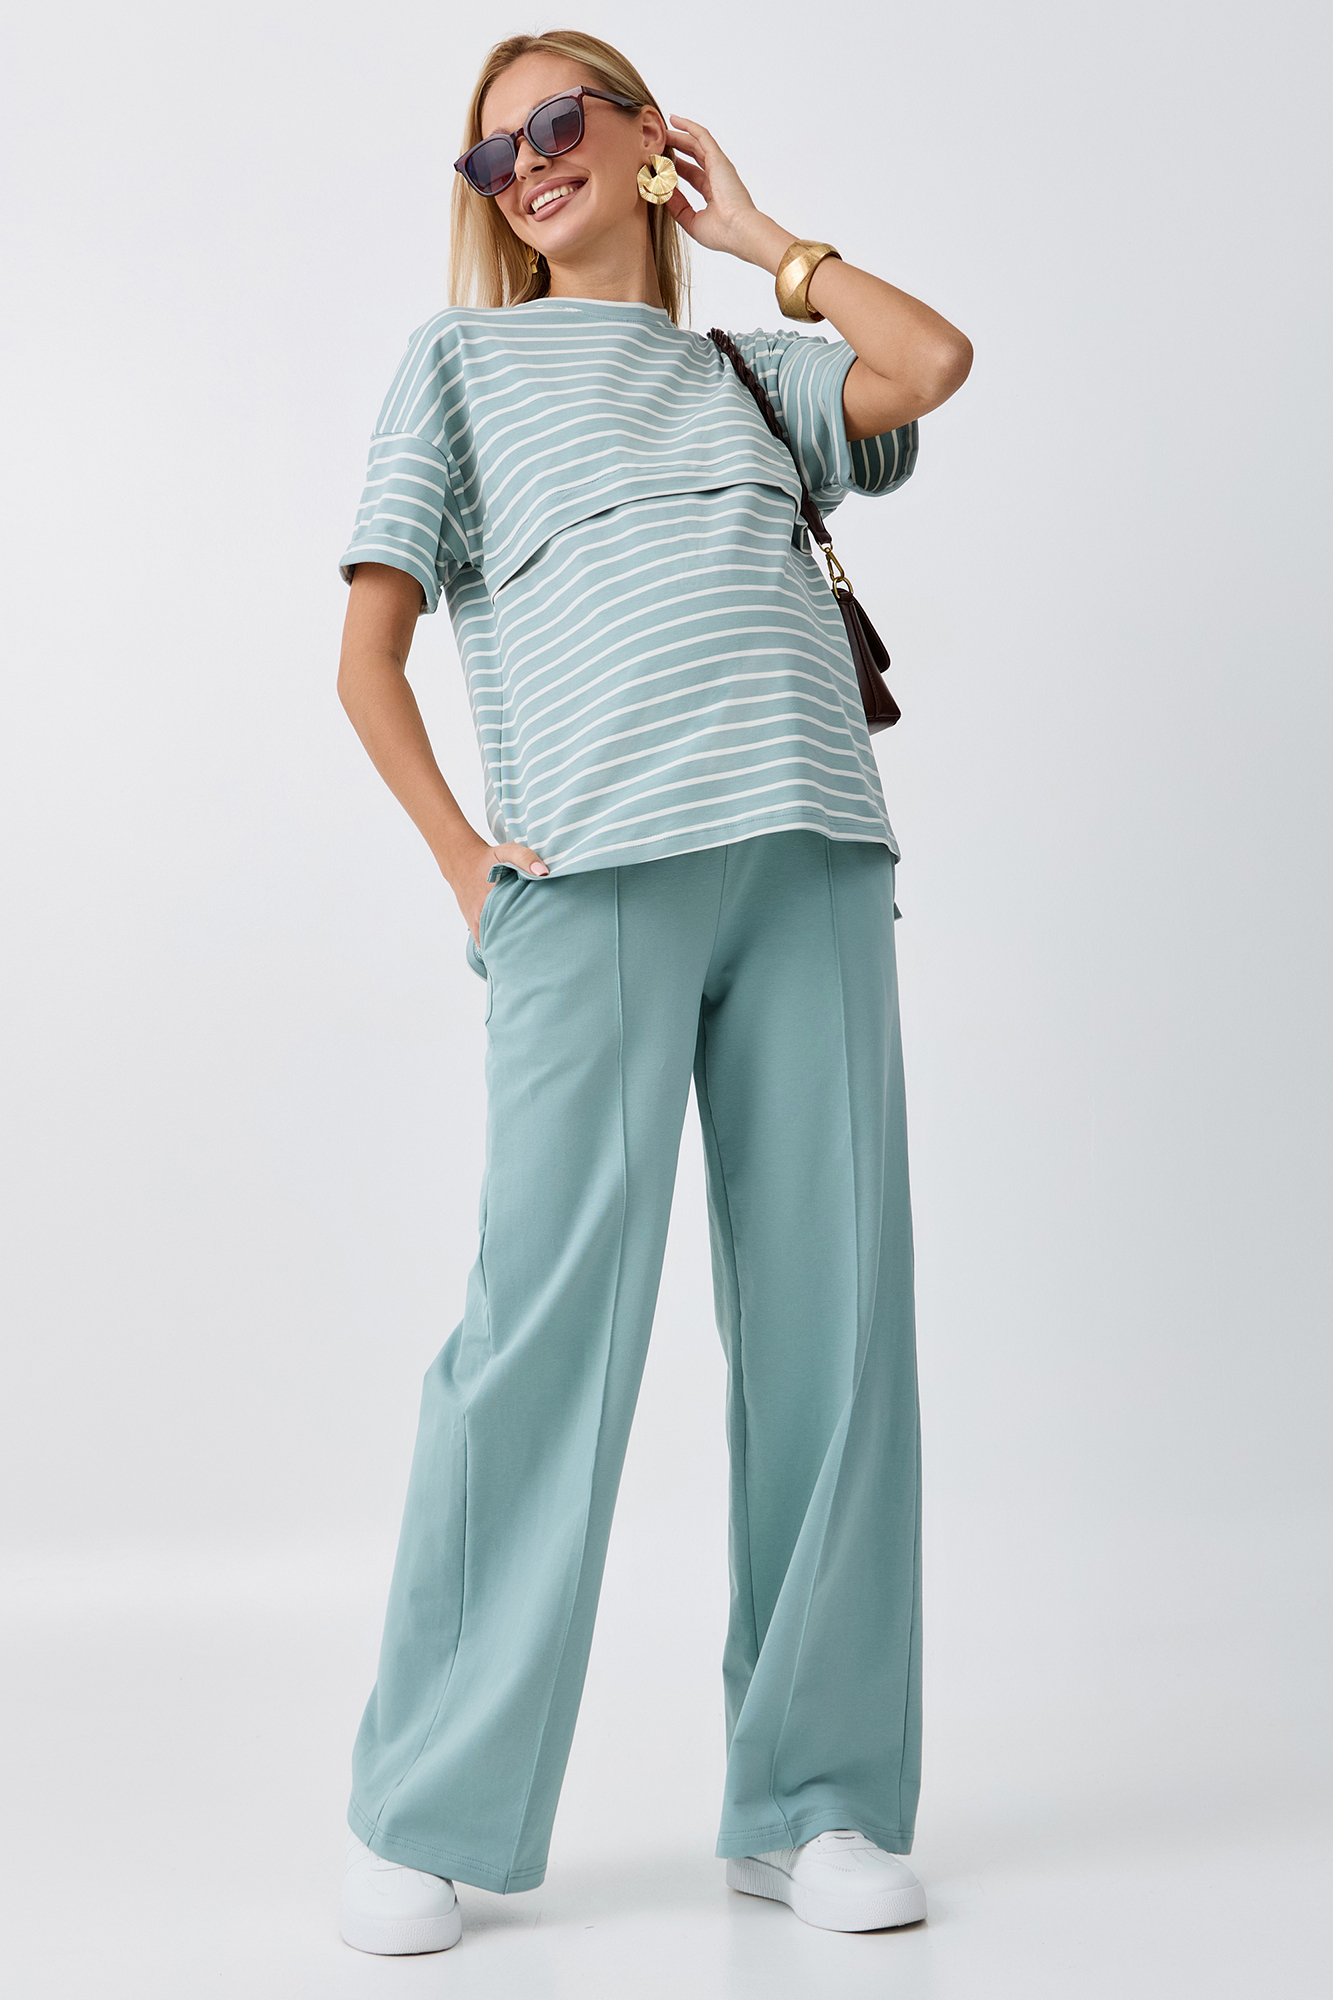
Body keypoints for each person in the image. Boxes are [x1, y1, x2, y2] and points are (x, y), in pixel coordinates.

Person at [333, 27, 971, 1956]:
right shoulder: (457, 365)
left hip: (810, 851)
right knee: (539, 1334)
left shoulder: (749, 368)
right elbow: (366, 655)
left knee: (834, 1341)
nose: (526, 166)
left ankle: (815, 1801)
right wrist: (466, 863)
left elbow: (931, 362)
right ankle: (428, 1811)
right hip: (588, 878)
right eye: (490, 156)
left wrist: (766, 237)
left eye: (556, 124)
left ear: (642, 138)